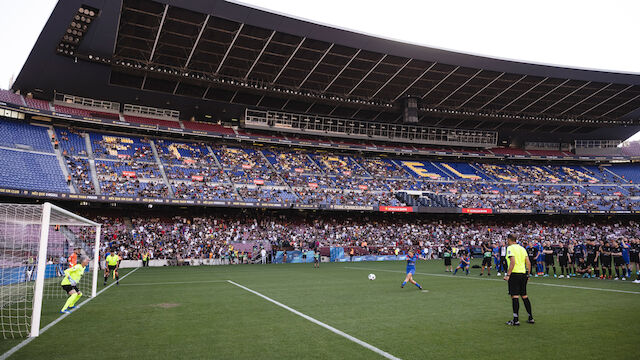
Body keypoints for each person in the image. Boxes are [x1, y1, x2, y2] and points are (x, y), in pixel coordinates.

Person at [503, 234, 534, 326]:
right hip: (523, 274)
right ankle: (530, 317)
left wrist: (508, 275)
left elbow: (512, 261)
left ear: (509, 239)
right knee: (524, 295)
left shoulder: (510, 248)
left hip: (514, 274)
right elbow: (528, 263)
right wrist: (528, 275)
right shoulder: (522, 249)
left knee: (515, 296)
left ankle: (516, 320)